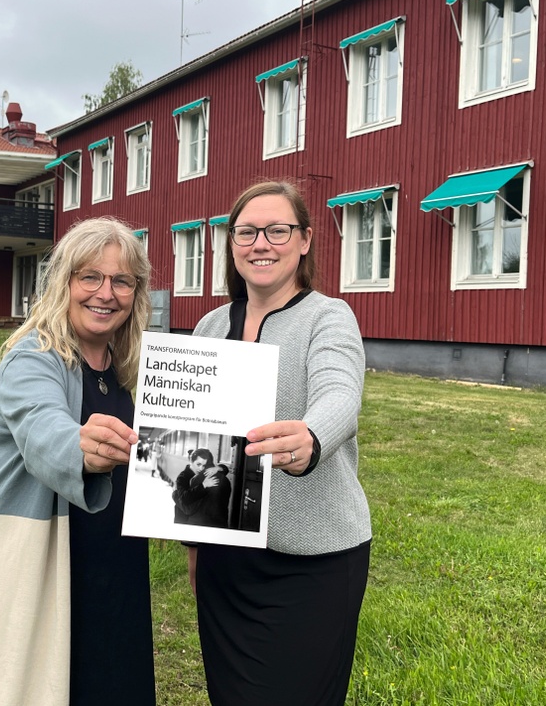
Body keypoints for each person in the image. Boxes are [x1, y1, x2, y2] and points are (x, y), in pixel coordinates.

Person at [0, 217, 156, 706]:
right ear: (63, 282)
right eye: (90, 277)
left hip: (115, 563)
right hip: (40, 554)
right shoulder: (31, 358)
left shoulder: (130, 368)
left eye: (121, 281)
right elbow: (43, 428)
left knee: (112, 679)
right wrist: (83, 447)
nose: (106, 293)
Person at [190, 181, 372, 706]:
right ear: (231, 243)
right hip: (227, 557)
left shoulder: (328, 316)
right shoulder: (207, 328)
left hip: (314, 558)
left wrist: (311, 436)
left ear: (305, 240)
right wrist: (192, 539)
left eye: (277, 230)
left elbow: (340, 394)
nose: (261, 243)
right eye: (246, 232)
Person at [172, 447, 231, 528]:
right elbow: (185, 499)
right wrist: (203, 485)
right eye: (198, 464)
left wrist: (219, 468)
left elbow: (225, 469)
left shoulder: (205, 473)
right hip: (182, 519)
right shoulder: (183, 477)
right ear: (191, 461)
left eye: (204, 465)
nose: (201, 468)